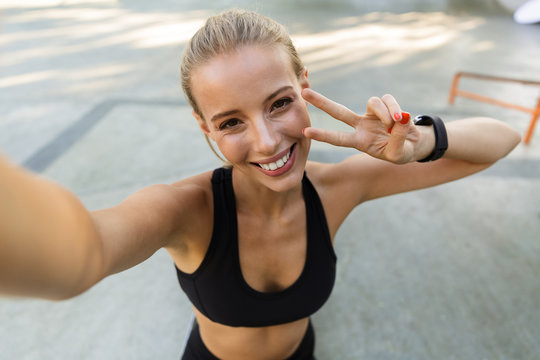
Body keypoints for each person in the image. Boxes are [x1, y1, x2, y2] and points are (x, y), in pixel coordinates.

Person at [0, 8, 521, 360]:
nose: (268, 142)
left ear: (305, 90)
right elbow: (82, 253)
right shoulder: (184, 211)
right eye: (231, 122)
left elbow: (501, 138)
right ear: (205, 128)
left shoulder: (339, 187)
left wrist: (417, 144)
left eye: (279, 103)